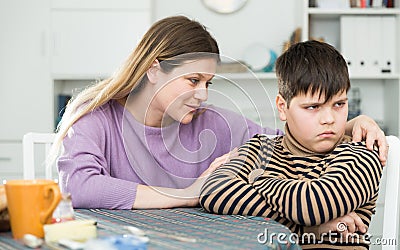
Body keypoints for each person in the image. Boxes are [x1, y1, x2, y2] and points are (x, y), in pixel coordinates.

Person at [50, 15, 387, 211]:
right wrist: (185, 195)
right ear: (154, 69)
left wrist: (349, 123)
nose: (203, 95)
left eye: (208, 82)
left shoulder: (212, 123)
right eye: (193, 80)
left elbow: (287, 142)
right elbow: (78, 186)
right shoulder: (97, 117)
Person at [199, 40, 383, 249]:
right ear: (283, 107)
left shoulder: (361, 153)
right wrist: (306, 230)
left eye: (339, 104)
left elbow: (314, 204)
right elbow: (213, 192)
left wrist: (258, 179)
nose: (329, 118)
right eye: (313, 107)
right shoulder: (260, 148)